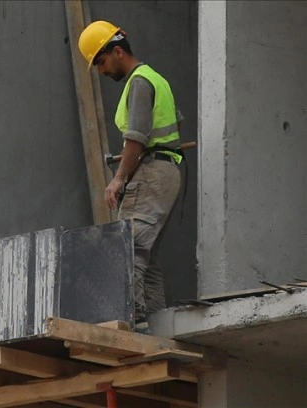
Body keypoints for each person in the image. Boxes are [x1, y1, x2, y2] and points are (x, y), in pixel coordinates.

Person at [78, 21, 183, 330]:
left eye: (100, 61)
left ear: (118, 51)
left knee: (127, 249)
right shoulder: (156, 79)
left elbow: (136, 137)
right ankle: (157, 322)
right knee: (145, 259)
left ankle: (133, 321)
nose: (101, 70)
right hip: (166, 173)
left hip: (151, 173)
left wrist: (119, 178)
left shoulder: (138, 82)